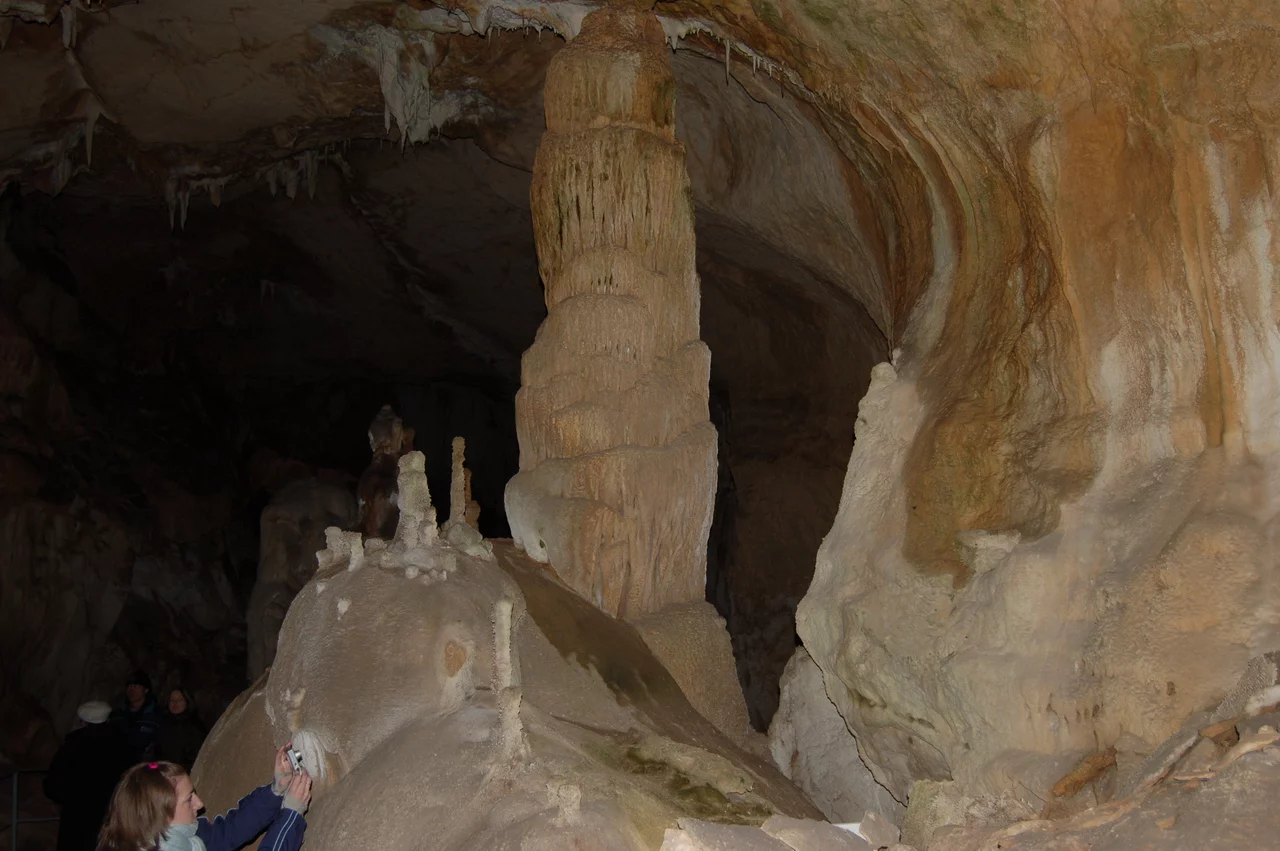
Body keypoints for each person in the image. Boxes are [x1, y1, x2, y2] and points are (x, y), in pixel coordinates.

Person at [97, 745, 310, 851]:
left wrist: (275, 791)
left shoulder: (174, 837)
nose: (199, 804)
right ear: (159, 816)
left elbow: (227, 832)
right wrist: (290, 816)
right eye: (188, 799)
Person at [43, 701, 132, 851]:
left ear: (83, 721)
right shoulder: (120, 743)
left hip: (76, 815)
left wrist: (68, 798)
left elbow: (53, 783)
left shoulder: (72, 745)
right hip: (110, 814)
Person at [110, 670, 161, 762]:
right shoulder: (117, 715)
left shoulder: (156, 715)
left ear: (146, 690)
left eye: (136, 686)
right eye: (129, 686)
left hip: (144, 766)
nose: (131, 690)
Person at [153, 689, 205, 770]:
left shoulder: (195, 726)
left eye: (180, 700)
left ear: (187, 702)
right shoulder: (162, 724)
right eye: (172, 700)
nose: (175, 703)